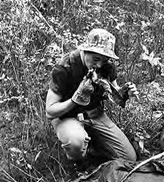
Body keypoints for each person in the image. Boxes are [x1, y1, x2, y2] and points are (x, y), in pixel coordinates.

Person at [46, 28, 138, 165]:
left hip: (95, 115)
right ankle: (78, 162)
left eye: (104, 60)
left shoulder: (106, 66)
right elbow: (50, 111)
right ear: (85, 50)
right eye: (96, 59)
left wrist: (124, 94)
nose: (99, 64)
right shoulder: (65, 67)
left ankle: (95, 145)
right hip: (67, 117)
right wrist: (74, 100)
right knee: (76, 141)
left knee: (130, 159)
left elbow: (114, 93)